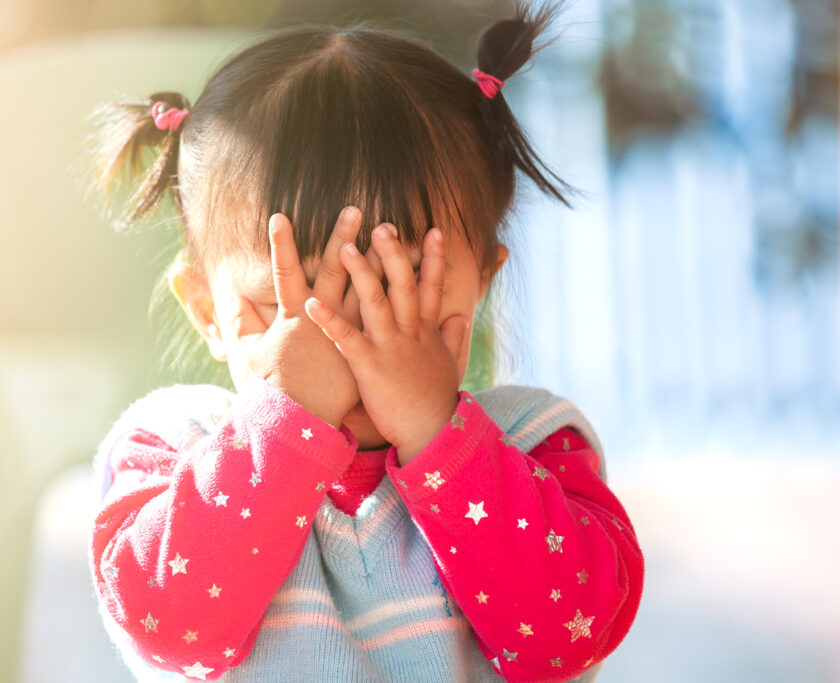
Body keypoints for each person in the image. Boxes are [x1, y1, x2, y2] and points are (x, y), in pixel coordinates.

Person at [87, 2, 643, 681]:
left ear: (479, 286)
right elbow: (170, 629)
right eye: (286, 307)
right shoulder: (173, 447)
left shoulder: (532, 443)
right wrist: (287, 426)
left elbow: (567, 640)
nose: (347, 351)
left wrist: (441, 438)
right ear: (207, 307)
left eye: (398, 295)